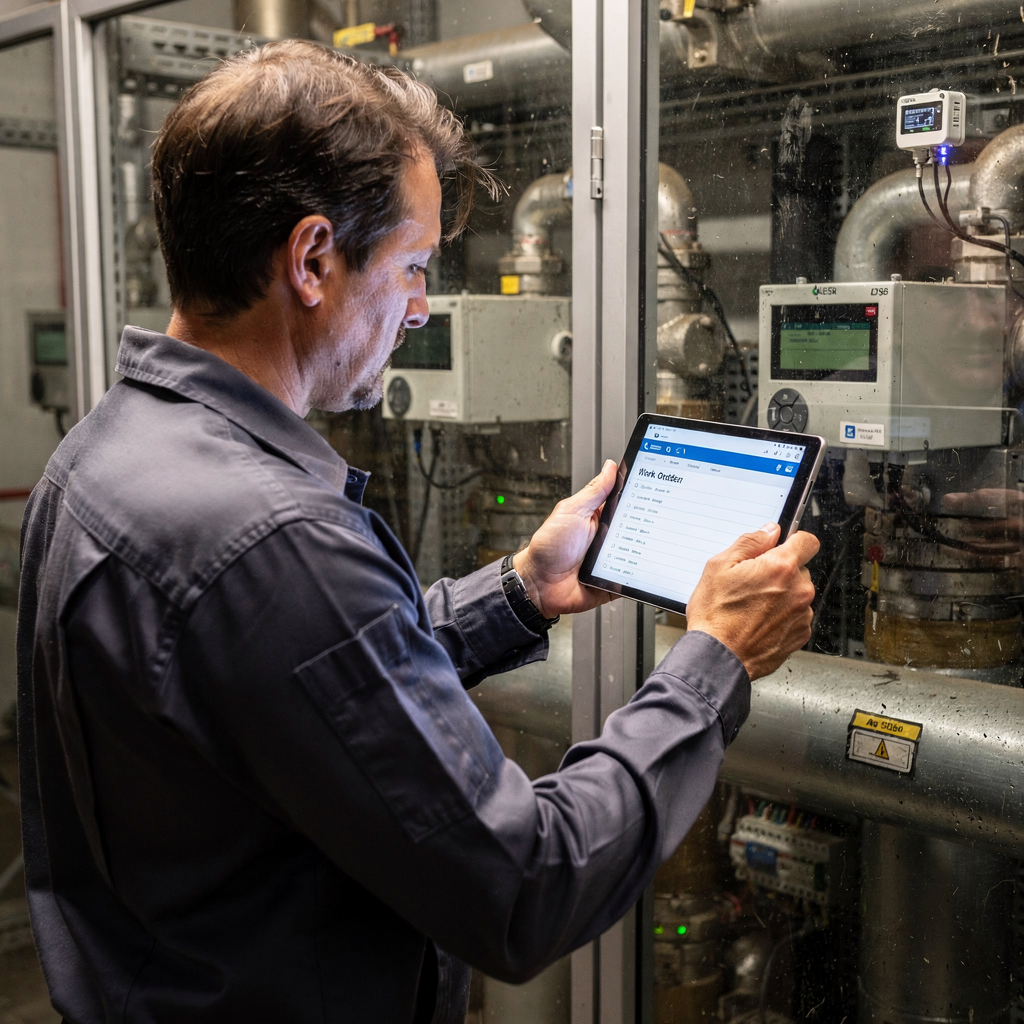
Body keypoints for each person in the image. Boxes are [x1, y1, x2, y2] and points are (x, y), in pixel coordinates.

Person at [17, 40, 818, 1024]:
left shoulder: (104, 455)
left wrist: (518, 590)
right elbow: (526, 881)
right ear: (312, 259)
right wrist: (713, 660)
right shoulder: (271, 535)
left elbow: (301, 690)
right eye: (411, 266)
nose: (422, 306)